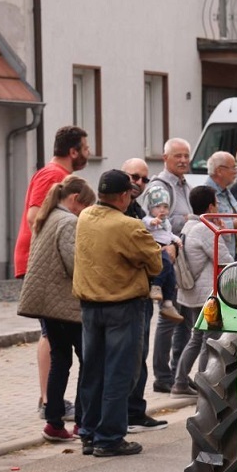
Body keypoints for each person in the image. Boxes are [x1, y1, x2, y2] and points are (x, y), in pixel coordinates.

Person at [73, 170, 162, 456]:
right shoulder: (129, 226)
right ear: (124, 196)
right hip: (123, 306)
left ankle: (88, 433)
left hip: (89, 306)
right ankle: (109, 437)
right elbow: (156, 263)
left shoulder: (85, 217)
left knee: (92, 372)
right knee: (119, 373)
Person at [14, 125, 90, 419]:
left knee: (54, 336)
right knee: (52, 335)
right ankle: (48, 400)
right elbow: (36, 216)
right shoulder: (53, 176)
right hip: (43, 266)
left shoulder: (58, 177)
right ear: (73, 151)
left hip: (47, 264)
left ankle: (51, 403)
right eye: (85, 148)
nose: (88, 153)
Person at [121, 157, 168, 432]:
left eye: (143, 178)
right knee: (128, 357)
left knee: (140, 354)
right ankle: (126, 414)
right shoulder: (122, 213)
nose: (138, 182)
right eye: (133, 177)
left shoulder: (138, 209)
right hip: (126, 293)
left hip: (143, 291)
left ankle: (136, 411)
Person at [172, 186, 233, 397]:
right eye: (216, 203)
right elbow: (226, 261)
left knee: (196, 337)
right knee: (209, 339)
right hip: (208, 296)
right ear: (210, 206)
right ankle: (204, 385)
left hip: (190, 294)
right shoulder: (206, 230)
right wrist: (222, 233)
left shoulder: (188, 226)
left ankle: (180, 382)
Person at [148, 138, 193, 393]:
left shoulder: (183, 184)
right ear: (165, 158)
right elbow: (163, 221)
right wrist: (188, 218)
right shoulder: (161, 186)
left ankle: (179, 375)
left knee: (183, 319)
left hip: (181, 258)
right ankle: (163, 377)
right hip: (167, 261)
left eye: (186, 155)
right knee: (169, 318)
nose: (183, 160)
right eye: (178, 156)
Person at [140, 183, 185, 323]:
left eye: (165, 207)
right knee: (164, 263)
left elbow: (169, 234)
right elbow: (146, 224)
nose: (162, 210)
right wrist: (154, 221)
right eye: (158, 207)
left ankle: (168, 302)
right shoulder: (149, 219)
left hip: (166, 246)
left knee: (171, 275)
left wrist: (176, 240)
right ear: (150, 208)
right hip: (156, 247)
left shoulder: (166, 223)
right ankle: (156, 286)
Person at [207, 151, 237, 259]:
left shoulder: (226, 190)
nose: (236, 171)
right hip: (223, 258)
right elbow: (204, 224)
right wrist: (233, 224)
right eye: (233, 167)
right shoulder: (206, 193)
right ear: (219, 171)